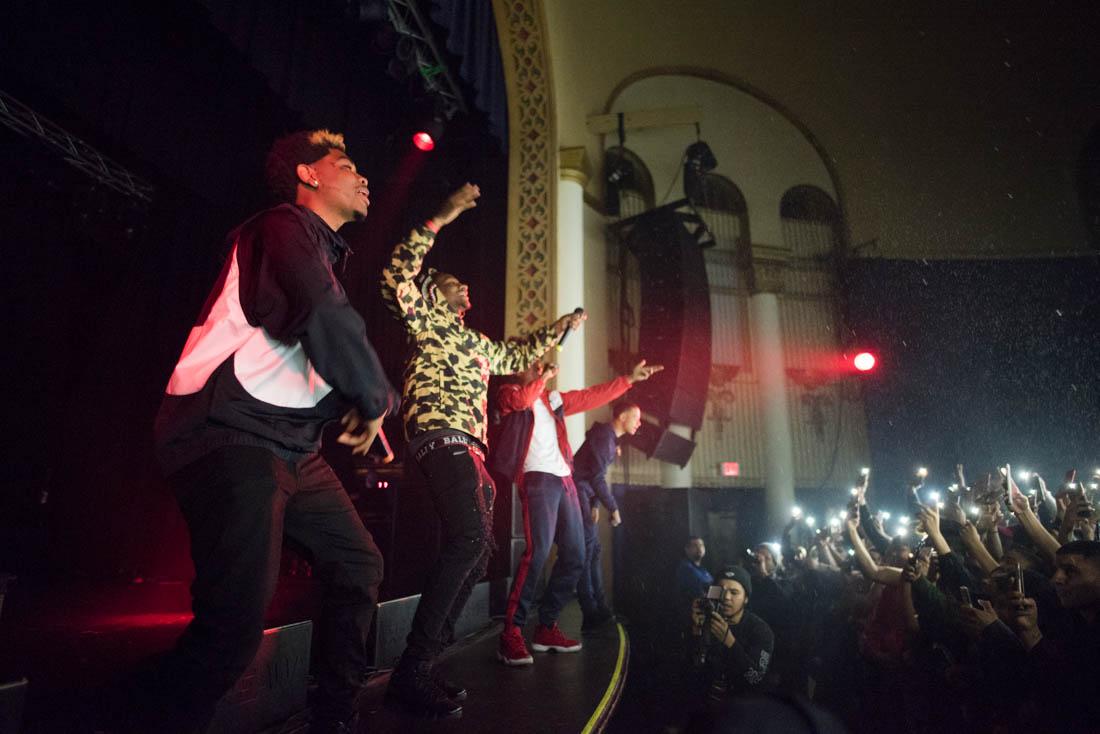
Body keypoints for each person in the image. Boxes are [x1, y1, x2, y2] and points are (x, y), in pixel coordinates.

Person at [149, 129, 398, 734]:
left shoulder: (323, 254)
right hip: (228, 434)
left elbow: (305, 342)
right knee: (233, 627)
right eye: (346, 163)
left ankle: (334, 715)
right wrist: (374, 397)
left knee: (359, 563)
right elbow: (319, 313)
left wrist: (359, 406)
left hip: (289, 446)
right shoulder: (281, 228)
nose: (364, 176)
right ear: (309, 176)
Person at [379, 184, 583, 716]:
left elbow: (517, 351)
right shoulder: (423, 319)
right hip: (439, 436)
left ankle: (425, 663)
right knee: (470, 539)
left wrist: (559, 331)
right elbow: (396, 275)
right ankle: (412, 670)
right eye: (451, 281)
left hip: (469, 447)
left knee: (478, 550)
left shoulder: (475, 342)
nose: (463, 284)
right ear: (431, 294)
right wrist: (440, 215)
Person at [492, 356, 662, 665]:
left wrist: (628, 379)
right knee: (538, 552)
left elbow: (590, 396)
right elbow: (521, 399)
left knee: (576, 555)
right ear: (519, 368)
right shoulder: (510, 392)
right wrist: (540, 380)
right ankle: (511, 635)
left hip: (565, 479)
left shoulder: (553, 399)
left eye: (540, 364)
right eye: (532, 364)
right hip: (537, 477)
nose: (538, 367)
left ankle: (546, 627)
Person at [573, 401, 643, 631]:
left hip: (584, 495)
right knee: (586, 554)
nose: (639, 423)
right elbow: (595, 477)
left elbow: (593, 472)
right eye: (636, 417)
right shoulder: (605, 437)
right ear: (622, 416)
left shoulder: (609, 439)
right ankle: (592, 614)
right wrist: (612, 507)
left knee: (592, 553)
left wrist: (595, 504)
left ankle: (600, 611)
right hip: (577, 493)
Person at [689, 565, 774, 701]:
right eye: (721, 591)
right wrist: (696, 629)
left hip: (741, 709)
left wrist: (729, 642)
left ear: (746, 598)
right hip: (703, 704)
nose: (726, 597)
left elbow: (755, 678)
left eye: (734, 592)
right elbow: (691, 668)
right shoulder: (706, 619)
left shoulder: (760, 631)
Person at [678, 536, 714, 605]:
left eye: (701, 545)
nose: (699, 548)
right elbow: (700, 592)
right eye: (695, 545)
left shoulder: (703, 569)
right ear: (687, 549)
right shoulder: (686, 568)